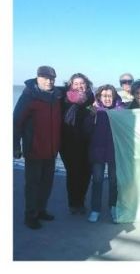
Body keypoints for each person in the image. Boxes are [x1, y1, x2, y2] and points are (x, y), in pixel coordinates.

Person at [13, 66, 63, 229]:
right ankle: (30, 215)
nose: (49, 81)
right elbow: (16, 123)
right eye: (45, 78)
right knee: (33, 184)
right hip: (33, 149)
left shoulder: (56, 96)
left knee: (47, 183)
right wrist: (15, 146)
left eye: (52, 78)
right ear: (38, 78)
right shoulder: (29, 96)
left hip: (51, 150)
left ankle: (41, 210)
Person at [84, 84, 124, 223]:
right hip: (97, 151)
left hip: (114, 151)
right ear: (99, 96)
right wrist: (91, 116)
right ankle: (95, 209)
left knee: (114, 181)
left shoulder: (121, 109)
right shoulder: (92, 108)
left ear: (114, 96)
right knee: (97, 180)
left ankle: (113, 207)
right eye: (104, 96)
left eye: (110, 96)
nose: (107, 98)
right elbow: (86, 130)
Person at [60, 73, 95, 214]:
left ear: (87, 85)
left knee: (86, 173)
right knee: (73, 173)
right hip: (68, 142)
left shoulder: (92, 99)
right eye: (76, 83)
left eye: (82, 83)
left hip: (87, 142)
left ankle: (81, 201)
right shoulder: (63, 98)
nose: (79, 86)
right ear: (70, 85)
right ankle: (73, 204)